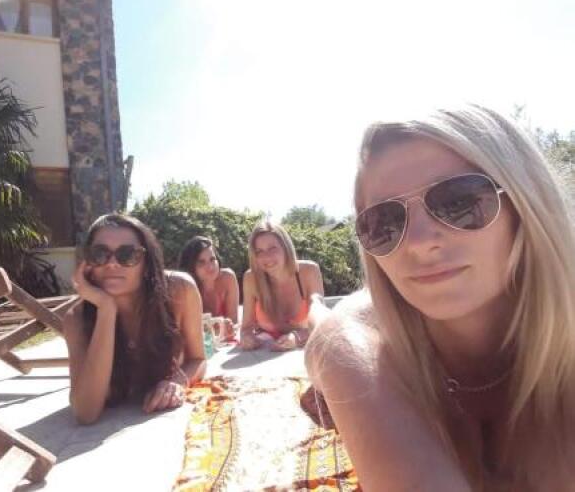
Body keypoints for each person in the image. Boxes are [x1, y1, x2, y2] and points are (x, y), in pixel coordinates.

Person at [305, 104, 575, 491]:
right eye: (384, 222)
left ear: (526, 205)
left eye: (458, 201)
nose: (418, 242)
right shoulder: (353, 341)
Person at [64, 214, 206, 425]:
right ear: (87, 263)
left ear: (146, 264)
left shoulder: (180, 290)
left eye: (127, 254)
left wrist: (177, 382)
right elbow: (86, 412)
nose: (112, 264)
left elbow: (198, 359)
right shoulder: (76, 319)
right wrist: (106, 309)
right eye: (100, 254)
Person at [241, 221, 324, 351]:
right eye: (259, 251)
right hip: (264, 355)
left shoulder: (309, 271)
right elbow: (246, 328)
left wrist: (297, 337)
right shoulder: (251, 278)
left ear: (286, 248)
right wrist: (247, 338)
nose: (267, 257)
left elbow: (322, 325)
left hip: (305, 353)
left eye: (272, 248)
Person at [178, 236, 240, 330]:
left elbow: (233, 322)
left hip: (224, 338)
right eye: (201, 262)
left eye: (212, 259)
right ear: (191, 266)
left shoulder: (228, 278)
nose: (210, 267)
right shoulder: (185, 290)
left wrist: (229, 327)